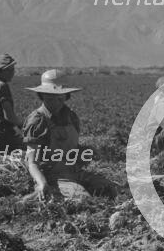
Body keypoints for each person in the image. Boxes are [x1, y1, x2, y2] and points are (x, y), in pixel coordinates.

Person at [22, 69, 117, 201]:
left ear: (66, 96)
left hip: (74, 172)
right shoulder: (37, 120)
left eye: (59, 98)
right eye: (50, 98)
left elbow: (71, 149)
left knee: (110, 189)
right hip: (53, 176)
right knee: (83, 200)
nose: (55, 102)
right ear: (41, 95)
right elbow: (31, 162)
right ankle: (41, 195)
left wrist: (85, 152)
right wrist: (42, 183)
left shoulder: (71, 117)